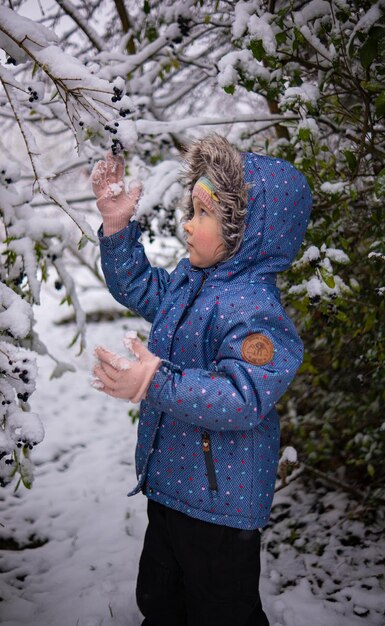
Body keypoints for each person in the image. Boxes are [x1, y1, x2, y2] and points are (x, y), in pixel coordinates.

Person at [91, 134, 312, 626]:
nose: (188, 225)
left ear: (246, 231)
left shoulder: (255, 312)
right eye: (192, 209)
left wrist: (156, 381)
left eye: (205, 214)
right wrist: (116, 225)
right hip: (170, 485)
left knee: (221, 611)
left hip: (220, 505)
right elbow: (139, 285)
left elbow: (240, 398)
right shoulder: (192, 282)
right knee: (160, 599)